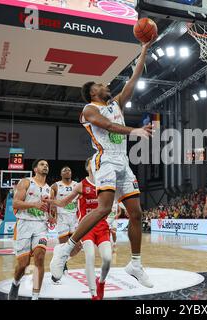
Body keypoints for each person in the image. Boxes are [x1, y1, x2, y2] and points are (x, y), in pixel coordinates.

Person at [50, 35, 157, 287]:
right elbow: (107, 126)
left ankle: (135, 263)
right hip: (105, 161)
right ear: (92, 92)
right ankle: (64, 251)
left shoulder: (117, 103)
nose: (106, 85)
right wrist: (135, 131)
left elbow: (134, 79)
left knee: (136, 213)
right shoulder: (89, 110)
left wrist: (144, 49)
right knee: (104, 208)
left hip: (124, 163)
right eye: (100, 84)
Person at [48, 158, 111, 300]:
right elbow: (63, 202)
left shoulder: (105, 183)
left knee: (99, 256)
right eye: (92, 162)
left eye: (97, 162)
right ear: (87, 167)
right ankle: (93, 294)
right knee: (88, 255)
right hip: (82, 224)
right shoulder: (77, 185)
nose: (96, 164)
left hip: (97, 225)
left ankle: (62, 258)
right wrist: (51, 206)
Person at [8, 159, 53, 300]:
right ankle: (15, 283)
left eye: (47, 165)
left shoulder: (49, 189)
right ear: (35, 169)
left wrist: (51, 217)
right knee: (23, 264)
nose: (45, 166)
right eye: (42, 164)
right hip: (24, 224)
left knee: (40, 257)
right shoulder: (26, 182)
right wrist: (34, 205)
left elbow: (47, 209)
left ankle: (35, 296)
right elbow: (15, 202)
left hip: (41, 226)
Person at [51, 166, 81, 278]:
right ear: (61, 174)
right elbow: (50, 201)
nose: (67, 171)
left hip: (74, 219)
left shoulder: (77, 185)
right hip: (62, 219)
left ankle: (61, 259)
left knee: (78, 247)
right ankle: (62, 264)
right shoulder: (55, 186)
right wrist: (51, 215)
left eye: (69, 170)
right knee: (64, 245)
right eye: (64, 170)